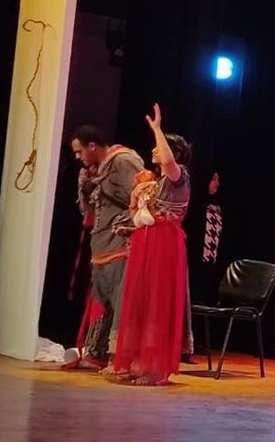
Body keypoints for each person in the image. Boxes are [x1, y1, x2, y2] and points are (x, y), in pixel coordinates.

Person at [107, 104, 192, 385]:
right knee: (141, 300)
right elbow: (141, 214)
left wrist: (157, 129)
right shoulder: (154, 183)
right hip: (146, 241)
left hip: (164, 243)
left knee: (158, 300)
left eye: (160, 144)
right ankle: (140, 362)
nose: (154, 149)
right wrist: (133, 215)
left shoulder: (178, 176)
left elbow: (167, 160)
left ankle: (157, 368)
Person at [62, 125, 145, 370]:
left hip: (120, 243)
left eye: (79, 151)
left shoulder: (123, 161)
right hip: (101, 244)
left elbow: (142, 198)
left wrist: (125, 225)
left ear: (92, 146)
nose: (77, 157)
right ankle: (97, 353)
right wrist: (86, 187)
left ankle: (120, 357)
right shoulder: (94, 170)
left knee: (121, 303)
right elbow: (88, 211)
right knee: (103, 303)